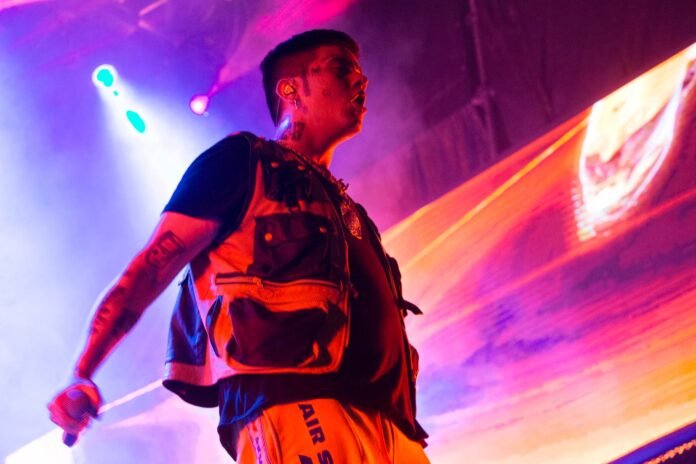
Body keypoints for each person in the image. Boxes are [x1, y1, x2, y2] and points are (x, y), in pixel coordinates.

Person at [49, 29, 429, 463]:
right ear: (290, 90)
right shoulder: (242, 161)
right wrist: (82, 372)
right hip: (299, 407)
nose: (362, 81)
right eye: (342, 69)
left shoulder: (347, 208)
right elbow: (149, 270)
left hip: (393, 427)